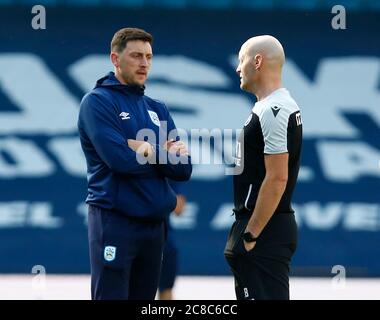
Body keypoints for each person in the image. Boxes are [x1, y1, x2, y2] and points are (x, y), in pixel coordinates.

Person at [77, 27, 192, 300]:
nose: (144, 63)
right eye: (136, 56)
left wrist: (144, 148)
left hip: (154, 226)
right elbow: (119, 161)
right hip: (115, 221)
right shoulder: (98, 102)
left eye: (149, 57)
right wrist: (162, 154)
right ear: (115, 59)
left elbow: (183, 169)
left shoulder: (157, 107)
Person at [224, 35, 302, 300]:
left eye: (241, 59)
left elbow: (278, 178)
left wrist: (250, 234)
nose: (237, 68)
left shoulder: (275, 108)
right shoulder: (269, 107)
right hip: (265, 229)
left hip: (265, 232)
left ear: (257, 61)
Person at [158, 181, 187, 300]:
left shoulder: (164, 171)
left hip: (163, 239)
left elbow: (179, 208)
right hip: (131, 237)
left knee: (166, 288)